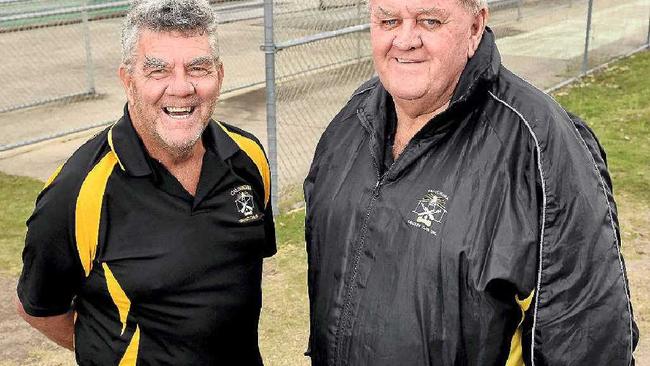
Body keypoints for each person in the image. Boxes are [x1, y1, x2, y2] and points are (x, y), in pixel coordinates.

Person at [303, 0, 639, 364]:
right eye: (388, 20)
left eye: (429, 21)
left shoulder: (540, 148)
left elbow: (589, 342)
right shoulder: (348, 125)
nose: (404, 40)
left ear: (476, 27)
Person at [14, 0, 276, 364]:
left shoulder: (248, 158)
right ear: (128, 80)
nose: (182, 88)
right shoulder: (77, 191)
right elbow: (39, 308)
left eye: (198, 68)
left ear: (219, 74)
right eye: (158, 71)